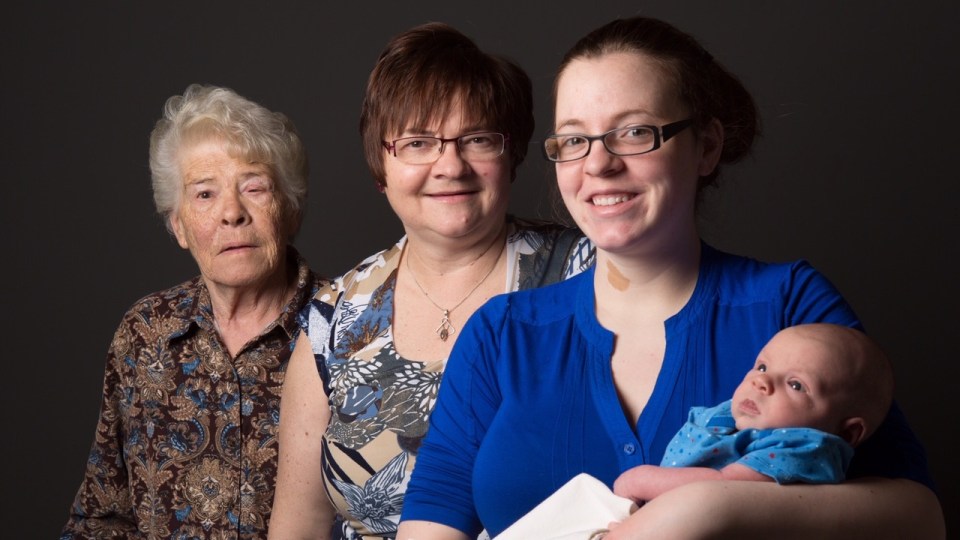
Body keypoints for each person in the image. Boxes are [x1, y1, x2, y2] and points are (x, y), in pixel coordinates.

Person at [398, 16, 944, 540]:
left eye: (634, 133)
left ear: (706, 145)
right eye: (573, 140)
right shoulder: (501, 336)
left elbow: (921, 519)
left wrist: (714, 506)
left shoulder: (788, 304)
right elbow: (430, 524)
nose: (598, 165)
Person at [268, 23, 591, 539]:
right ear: (382, 164)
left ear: (510, 156)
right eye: (418, 142)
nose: (450, 165)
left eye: (477, 139)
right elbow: (299, 526)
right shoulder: (335, 319)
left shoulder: (585, 273)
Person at [61, 84, 325, 538]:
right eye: (204, 194)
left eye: (255, 187)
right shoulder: (145, 333)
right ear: (178, 225)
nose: (231, 213)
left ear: (290, 210)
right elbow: (101, 516)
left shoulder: (347, 330)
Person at [613, 323, 894, 504]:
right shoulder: (734, 421)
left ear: (846, 433)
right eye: (762, 367)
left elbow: (725, 489)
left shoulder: (804, 448)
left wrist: (641, 480)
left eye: (795, 384)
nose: (761, 382)